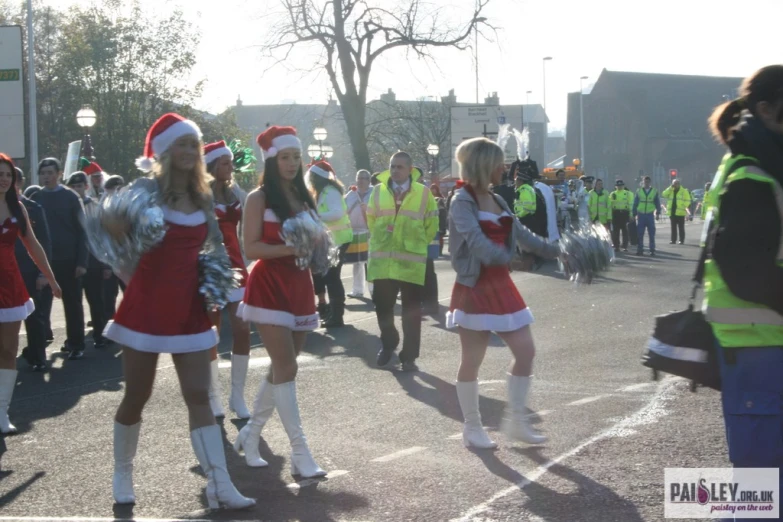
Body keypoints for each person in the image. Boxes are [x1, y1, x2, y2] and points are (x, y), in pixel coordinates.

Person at [101, 113, 254, 509]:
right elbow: (113, 240)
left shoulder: (203, 198)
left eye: (193, 144)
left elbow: (216, 247)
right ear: (164, 152)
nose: (188, 151)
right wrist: (136, 278)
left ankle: (221, 484)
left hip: (189, 311)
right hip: (145, 310)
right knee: (137, 394)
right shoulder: (143, 193)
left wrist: (214, 283)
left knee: (199, 396)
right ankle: (123, 471)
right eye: (181, 144)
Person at [703, 65, 783, 520]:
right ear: (767, 109)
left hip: (764, 344)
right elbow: (744, 268)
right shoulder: (752, 169)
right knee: (760, 490)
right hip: (757, 346)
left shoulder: (762, 159)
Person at [446, 138, 560, 448]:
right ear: (485, 165)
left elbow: (523, 235)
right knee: (472, 359)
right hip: (475, 286)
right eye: (500, 163)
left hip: (501, 285)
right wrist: (507, 258)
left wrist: (560, 252)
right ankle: (472, 426)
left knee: (526, 351)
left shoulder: (499, 200)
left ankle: (516, 422)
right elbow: (475, 242)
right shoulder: (461, 201)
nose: (505, 168)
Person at [234, 126, 326, 478]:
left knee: (286, 368)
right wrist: (291, 248)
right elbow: (252, 248)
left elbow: (316, 239)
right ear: (271, 161)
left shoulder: (305, 195)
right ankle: (301, 454)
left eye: (296, 157)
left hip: (299, 285)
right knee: (285, 367)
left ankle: (251, 433)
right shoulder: (258, 198)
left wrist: (319, 246)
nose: (291, 163)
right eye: (285, 157)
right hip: (270, 285)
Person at [0, 154, 61, 434]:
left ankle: (2, 411)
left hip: (10, 284)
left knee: (9, 349)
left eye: (8, 175)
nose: (4, 179)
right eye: (0, 174)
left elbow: (33, 246)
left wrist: (51, 279)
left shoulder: (18, 208)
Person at [367, 152, 439, 371]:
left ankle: (409, 355)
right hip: (383, 262)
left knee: (411, 312)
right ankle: (389, 343)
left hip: (411, 262)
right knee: (383, 308)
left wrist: (415, 245)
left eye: (399, 167)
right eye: (392, 166)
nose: (395, 170)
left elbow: (432, 225)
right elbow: (371, 219)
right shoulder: (378, 192)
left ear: (410, 169)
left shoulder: (424, 194)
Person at [203, 140, 252, 419]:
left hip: (237, 266)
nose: (230, 167)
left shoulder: (236, 191)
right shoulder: (199, 194)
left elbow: (252, 213)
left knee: (243, 328)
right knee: (212, 333)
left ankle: (237, 395)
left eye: (229, 162)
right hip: (210, 267)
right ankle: (213, 395)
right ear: (212, 166)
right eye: (225, 163)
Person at [30, 158, 89, 359]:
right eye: (43, 173)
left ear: (59, 173)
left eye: (50, 172)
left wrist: (82, 262)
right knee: (40, 307)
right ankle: (38, 349)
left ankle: (76, 343)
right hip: (45, 262)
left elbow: (83, 232)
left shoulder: (71, 197)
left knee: (72, 304)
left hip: (69, 261)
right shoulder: (36, 198)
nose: (46, 176)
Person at [306, 160, 353, 328]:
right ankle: (334, 313)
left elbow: (336, 213)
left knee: (332, 278)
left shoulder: (330, 191)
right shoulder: (324, 191)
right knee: (331, 277)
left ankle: (337, 316)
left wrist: (315, 215)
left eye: (311, 176)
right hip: (333, 240)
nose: (309, 179)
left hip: (338, 239)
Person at [66, 172, 109, 350]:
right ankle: (74, 341)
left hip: (94, 262)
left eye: (80, 186)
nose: (77, 189)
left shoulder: (96, 207)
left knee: (96, 301)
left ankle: (100, 335)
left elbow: (104, 237)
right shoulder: (66, 206)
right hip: (73, 261)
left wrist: (106, 265)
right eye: (73, 186)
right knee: (73, 304)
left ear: (86, 186)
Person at [14, 168, 52, 372]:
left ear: (19, 182)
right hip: (5, 270)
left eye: (11, 178)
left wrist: (42, 274)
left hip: (29, 270)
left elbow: (44, 242)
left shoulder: (33, 208)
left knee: (34, 315)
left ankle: (38, 356)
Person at [344, 169, 372, 298]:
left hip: (370, 231)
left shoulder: (374, 193)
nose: (360, 181)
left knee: (371, 261)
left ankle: (374, 290)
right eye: (359, 178)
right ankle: (358, 290)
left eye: (363, 178)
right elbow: (343, 210)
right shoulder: (351, 194)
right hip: (354, 232)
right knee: (357, 261)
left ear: (369, 180)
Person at [102, 175, 126, 321]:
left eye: (117, 190)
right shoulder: (103, 209)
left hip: (127, 261)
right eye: (111, 190)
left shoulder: (131, 207)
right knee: (108, 297)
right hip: (110, 261)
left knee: (132, 294)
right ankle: (111, 326)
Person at [633, 176, 661, 256]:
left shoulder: (654, 191)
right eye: (645, 182)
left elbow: (657, 203)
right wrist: (634, 213)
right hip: (641, 214)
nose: (646, 183)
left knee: (651, 233)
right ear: (643, 182)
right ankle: (640, 250)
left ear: (650, 182)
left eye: (648, 182)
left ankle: (652, 250)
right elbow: (635, 203)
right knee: (640, 233)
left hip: (650, 214)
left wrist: (658, 213)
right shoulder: (639, 191)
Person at [662, 178, 691, 244]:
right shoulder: (670, 190)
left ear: (679, 184)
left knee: (681, 227)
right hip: (672, 212)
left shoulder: (684, 191)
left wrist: (683, 206)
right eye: (674, 184)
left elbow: (688, 200)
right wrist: (670, 188)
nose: (675, 185)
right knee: (673, 227)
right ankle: (673, 240)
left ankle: (681, 240)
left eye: (676, 183)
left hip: (680, 212)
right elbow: (664, 194)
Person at [609, 179, 633, 252]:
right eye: (618, 186)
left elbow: (631, 205)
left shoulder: (628, 193)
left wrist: (631, 215)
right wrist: (609, 216)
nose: (619, 187)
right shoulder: (612, 194)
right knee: (616, 231)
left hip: (624, 213)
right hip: (615, 213)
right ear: (616, 186)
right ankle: (616, 246)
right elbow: (610, 206)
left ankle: (625, 246)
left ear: (623, 186)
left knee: (625, 231)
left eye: (621, 185)